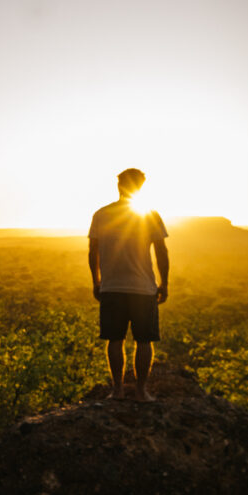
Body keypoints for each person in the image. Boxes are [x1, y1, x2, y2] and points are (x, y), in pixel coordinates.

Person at [88, 168, 169, 401]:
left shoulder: (101, 214)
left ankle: (117, 390)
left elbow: (92, 251)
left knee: (115, 339)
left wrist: (96, 281)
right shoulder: (150, 214)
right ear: (140, 186)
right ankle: (141, 391)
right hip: (143, 287)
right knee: (144, 340)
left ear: (119, 185)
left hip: (112, 286)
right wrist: (165, 283)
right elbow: (161, 252)